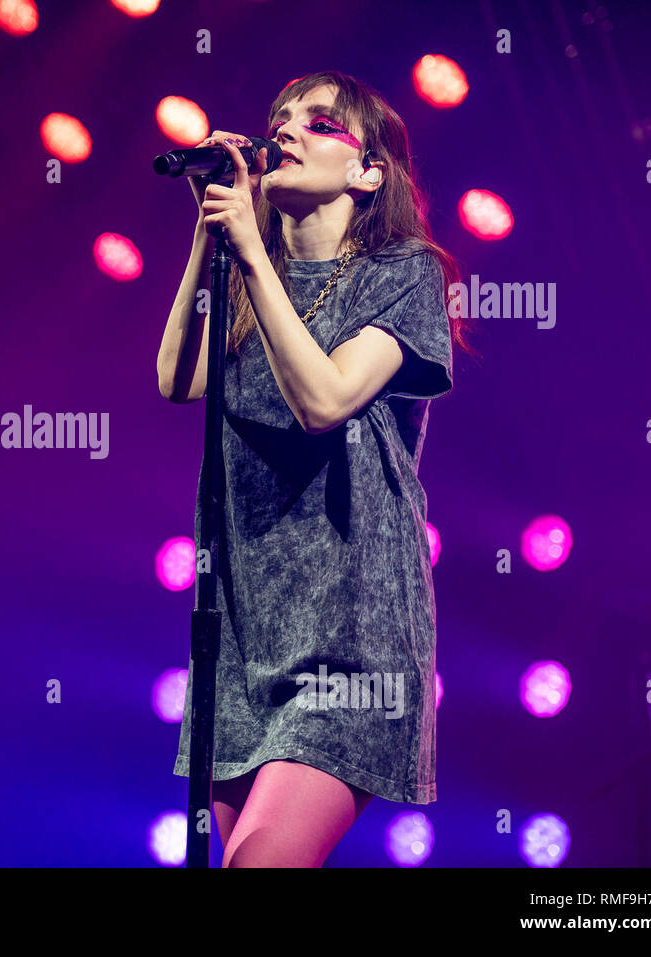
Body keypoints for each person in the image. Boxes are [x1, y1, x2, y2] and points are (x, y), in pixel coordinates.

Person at [156, 70, 477, 868]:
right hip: (244, 624)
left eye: (321, 123)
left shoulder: (402, 274)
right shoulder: (245, 271)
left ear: (369, 170)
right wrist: (210, 239)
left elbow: (325, 398)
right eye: (281, 118)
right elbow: (177, 379)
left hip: (350, 636)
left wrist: (252, 259)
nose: (289, 129)